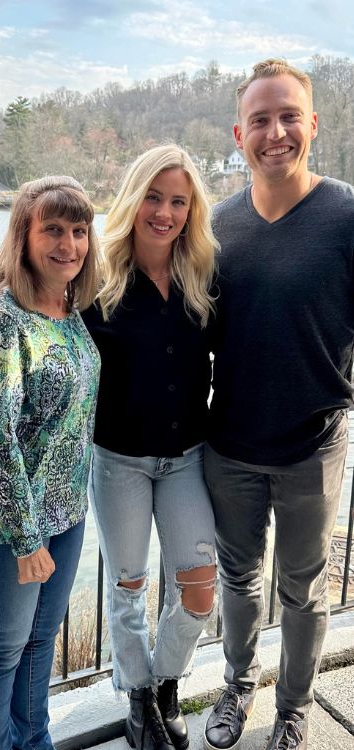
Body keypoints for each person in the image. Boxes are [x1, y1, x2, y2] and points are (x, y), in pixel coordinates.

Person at [203, 59, 354, 750]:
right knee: (237, 580)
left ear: (312, 125)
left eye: (289, 115)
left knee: (302, 589)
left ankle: (292, 709)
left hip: (314, 445)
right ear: (239, 134)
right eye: (260, 120)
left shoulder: (346, 215)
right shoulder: (213, 227)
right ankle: (237, 688)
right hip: (229, 444)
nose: (275, 132)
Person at [82, 144, 218, 750]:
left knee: (200, 587)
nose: (164, 212)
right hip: (119, 462)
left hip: (187, 456)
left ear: (191, 211)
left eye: (178, 202)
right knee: (129, 586)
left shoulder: (203, 275)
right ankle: (140, 703)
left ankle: (163, 681)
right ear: (134, 201)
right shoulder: (96, 281)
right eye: (154, 198)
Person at [0, 175, 100, 750]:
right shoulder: (2, 318)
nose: (68, 245)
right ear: (23, 235)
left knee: (41, 645)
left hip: (66, 515)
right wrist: (26, 540)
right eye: (53, 230)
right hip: (9, 526)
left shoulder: (69, 308)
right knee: (0, 653)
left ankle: (35, 741)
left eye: (78, 230)